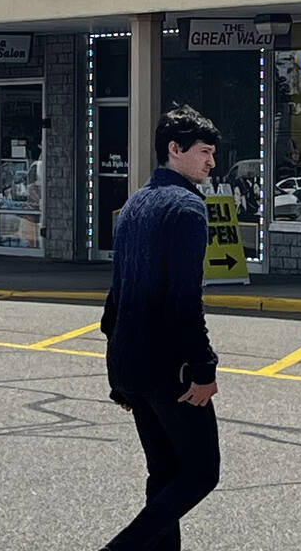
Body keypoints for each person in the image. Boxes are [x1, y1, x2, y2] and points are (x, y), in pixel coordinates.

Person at [98, 104, 222, 551]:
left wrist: (118, 377)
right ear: (175, 149)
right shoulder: (186, 208)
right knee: (201, 473)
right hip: (168, 368)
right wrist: (203, 369)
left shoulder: (134, 204)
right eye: (204, 152)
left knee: (165, 474)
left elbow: (116, 297)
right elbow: (184, 302)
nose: (211, 162)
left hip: (131, 364)